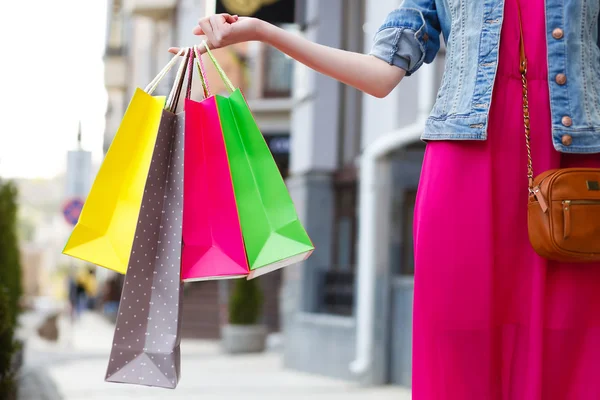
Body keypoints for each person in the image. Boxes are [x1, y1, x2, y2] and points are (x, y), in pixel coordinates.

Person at [170, 1, 600, 398]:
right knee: (458, 354)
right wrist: (265, 32)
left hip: (575, 175)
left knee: (573, 349)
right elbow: (379, 76)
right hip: (467, 173)